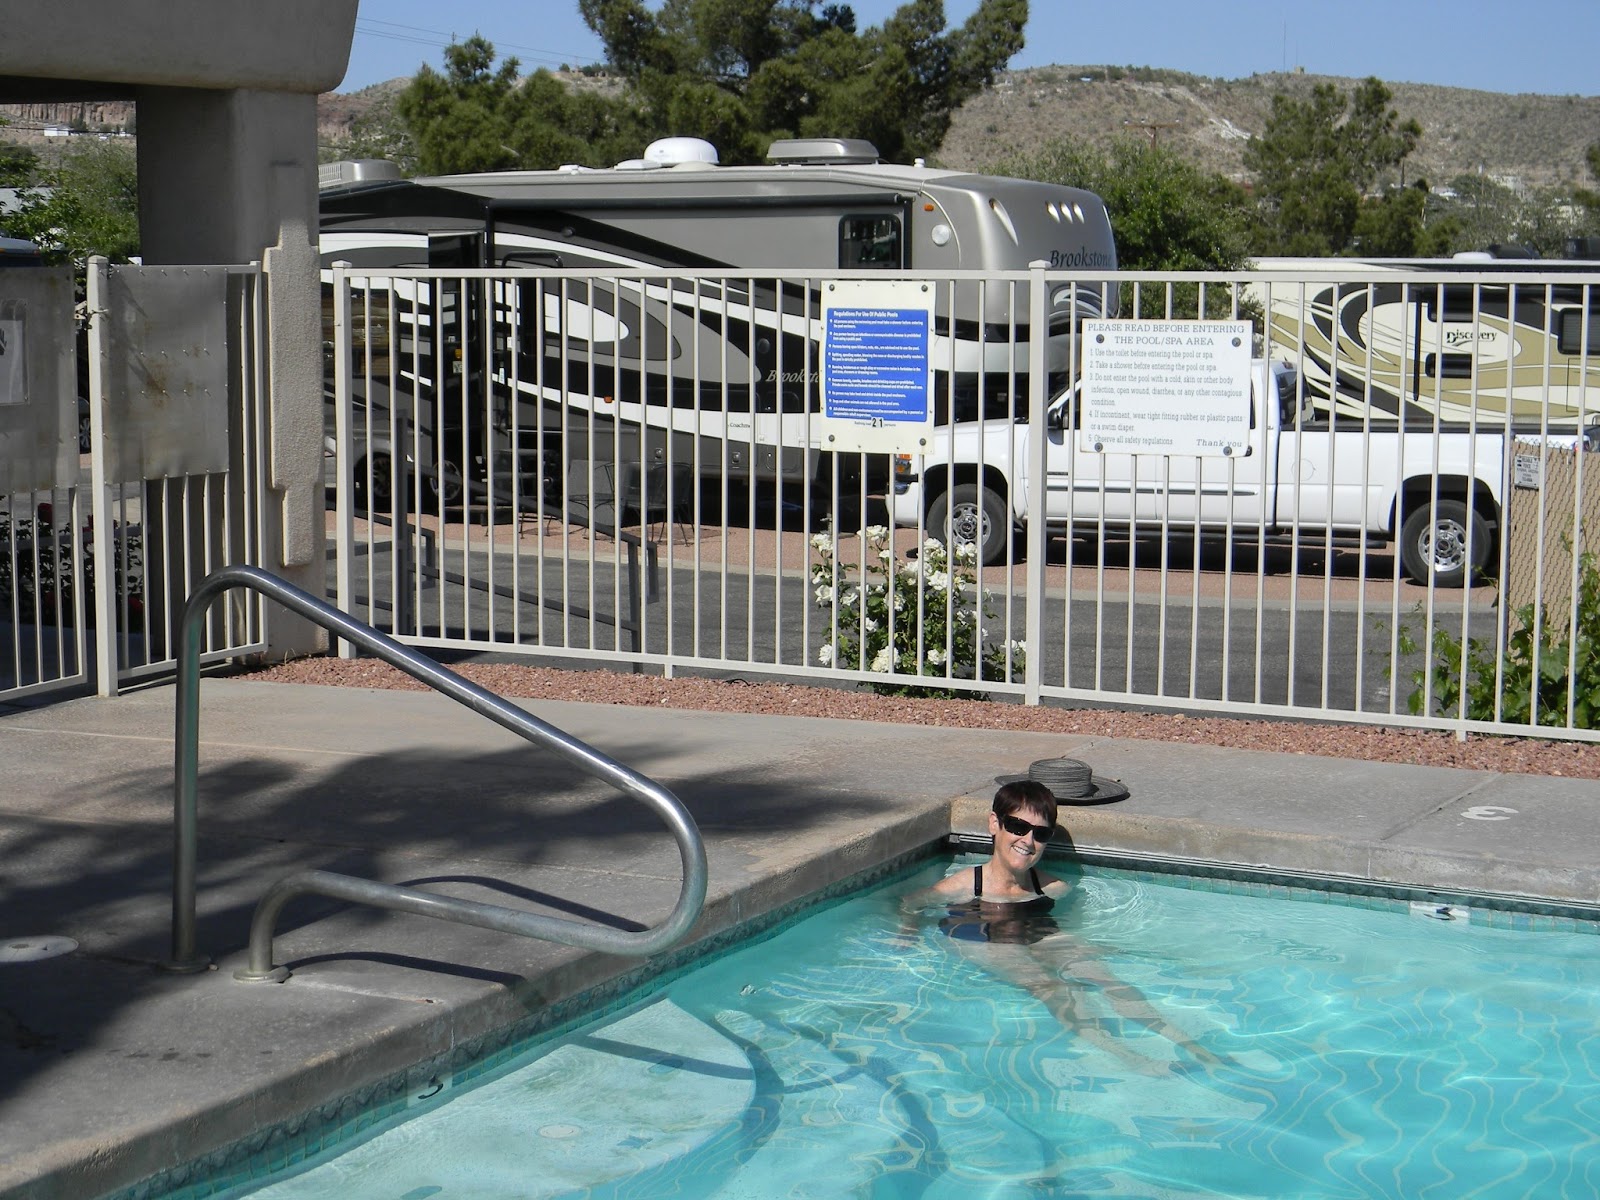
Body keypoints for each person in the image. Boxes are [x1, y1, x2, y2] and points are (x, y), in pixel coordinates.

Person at [902, 781, 1223, 1074]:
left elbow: (1073, 924)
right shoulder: (962, 886)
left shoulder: (1053, 888)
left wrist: (1087, 947)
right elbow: (910, 903)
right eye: (1018, 827)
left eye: (1040, 834)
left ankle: (1192, 1046)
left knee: (1102, 975)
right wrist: (908, 932)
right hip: (975, 929)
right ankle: (1132, 1059)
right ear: (994, 824)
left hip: (1034, 924)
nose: (1028, 841)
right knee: (1052, 986)